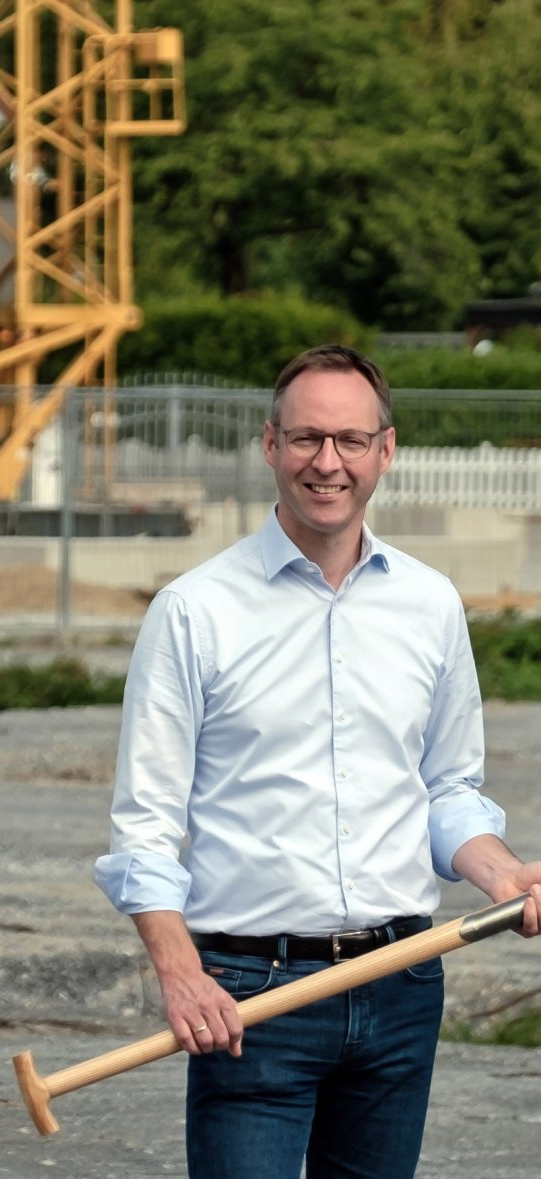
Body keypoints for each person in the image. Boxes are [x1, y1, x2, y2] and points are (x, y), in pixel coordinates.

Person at [94, 344, 541, 1179]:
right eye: (304, 439)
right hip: (250, 994)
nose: (325, 462)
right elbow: (145, 825)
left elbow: (447, 790)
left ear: (385, 449)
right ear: (269, 446)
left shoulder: (429, 603)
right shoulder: (194, 611)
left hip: (400, 979)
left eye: (347, 440)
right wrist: (181, 972)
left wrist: (501, 873)